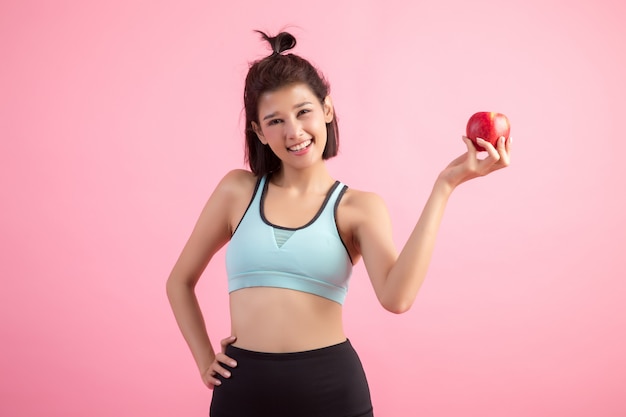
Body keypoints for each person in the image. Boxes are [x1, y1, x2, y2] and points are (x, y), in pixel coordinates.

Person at [166, 30, 511, 417]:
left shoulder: (358, 207)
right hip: (242, 390)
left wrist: (444, 187)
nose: (294, 132)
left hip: (330, 392)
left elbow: (397, 298)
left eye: (303, 112)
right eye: (275, 120)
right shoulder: (236, 191)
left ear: (326, 109)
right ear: (259, 133)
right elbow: (179, 281)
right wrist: (203, 359)